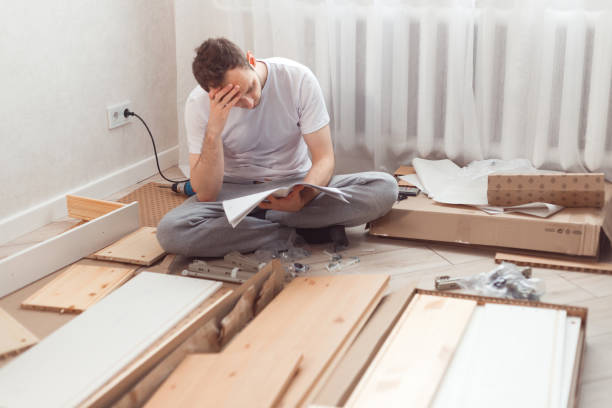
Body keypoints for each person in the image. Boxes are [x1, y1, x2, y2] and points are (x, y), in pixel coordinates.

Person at [157, 37, 397, 257]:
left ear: (250, 60)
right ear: (212, 94)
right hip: (233, 192)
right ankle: (294, 230)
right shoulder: (197, 104)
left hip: (294, 184)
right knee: (172, 232)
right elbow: (207, 193)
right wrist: (214, 130)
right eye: (235, 100)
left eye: (249, 88)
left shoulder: (297, 78)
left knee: (384, 187)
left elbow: (324, 159)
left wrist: (303, 196)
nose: (250, 103)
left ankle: (262, 225)